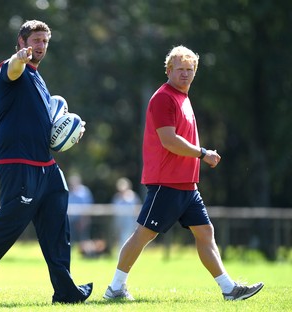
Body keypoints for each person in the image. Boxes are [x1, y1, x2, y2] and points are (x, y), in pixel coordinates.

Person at [0, 20, 93, 305]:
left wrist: (71, 134)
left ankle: (65, 291)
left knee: (56, 226)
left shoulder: (39, 79)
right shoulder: (10, 69)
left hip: (46, 166)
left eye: (45, 41)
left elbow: (49, 129)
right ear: (22, 42)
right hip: (18, 162)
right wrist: (18, 59)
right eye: (35, 40)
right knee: (10, 225)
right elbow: (12, 68)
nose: (40, 46)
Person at [103, 45, 264, 301]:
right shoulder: (163, 98)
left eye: (190, 70)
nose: (185, 74)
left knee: (205, 233)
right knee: (144, 235)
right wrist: (203, 153)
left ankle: (228, 289)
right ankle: (115, 288)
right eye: (180, 69)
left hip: (188, 185)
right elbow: (169, 141)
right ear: (169, 70)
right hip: (166, 183)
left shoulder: (183, 98)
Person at [111, 177, 141, 249]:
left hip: (130, 223)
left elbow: (137, 210)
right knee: (121, 239)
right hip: (119, 223)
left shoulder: (133, 197)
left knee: (127, 239)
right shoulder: (116, 198)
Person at [68, 174, 94, 242]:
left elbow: (88, 207)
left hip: (83, 220)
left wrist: (84, 221)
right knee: (71, 240)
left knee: (84, 240)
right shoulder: (69, 192)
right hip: (71, 221)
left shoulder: (84, 192)